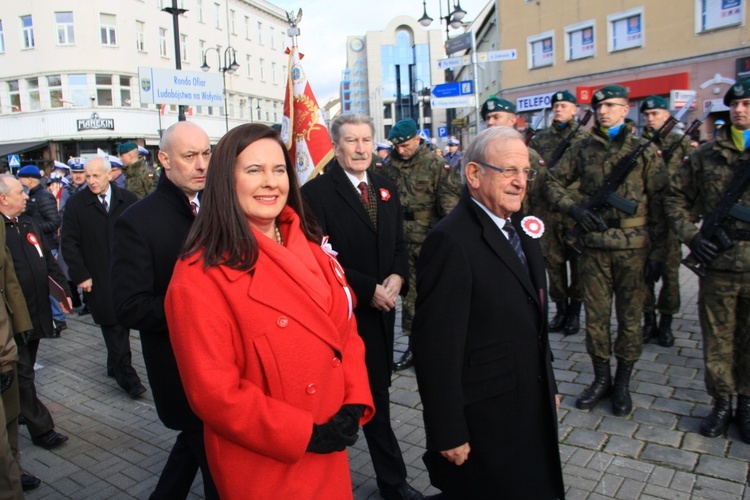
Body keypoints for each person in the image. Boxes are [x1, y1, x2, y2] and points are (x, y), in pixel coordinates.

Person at [164, 123, 374, 498]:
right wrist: (302, 433)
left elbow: (343, 327)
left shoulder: (311, 245)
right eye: (253, 170)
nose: (270, 182)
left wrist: (354, 399)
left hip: (329, 448)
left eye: (278, 170)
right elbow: (215, 394)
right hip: (267, 462)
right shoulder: (198, 275)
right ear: (225, 181)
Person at [412, 127, 564, 498]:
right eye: (509, 171)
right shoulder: (451, 240)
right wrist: (447, 431)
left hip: (528, 398)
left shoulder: (520, 229)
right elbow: (435, 346)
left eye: (526, 172)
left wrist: (550, 382)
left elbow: (534, 318)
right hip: (486, 416)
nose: (520, 182)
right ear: (474, 174)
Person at [301, 114, 420, 500]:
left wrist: (398, 279)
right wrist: (367, 288)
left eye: (366, 139)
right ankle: (388, 482)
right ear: (336, 146)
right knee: (354, 402)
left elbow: (399, 246)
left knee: (378, 396)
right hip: (342, 317)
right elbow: (316, 259)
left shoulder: (386, 187)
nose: (360, 148)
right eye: (351, 140)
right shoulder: (315, 194)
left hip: (383, 315)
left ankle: (391, 481)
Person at [546, 84, 668, 416]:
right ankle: (600, 379)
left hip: (634, 249)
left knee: (630, 319)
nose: (603, 111)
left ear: (625, 109)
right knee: (596, 318)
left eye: (611, 105)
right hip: (595, 248)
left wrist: (659, 253)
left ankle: (623, 383)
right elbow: (550, 182)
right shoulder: (583, 149)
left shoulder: (643, 149)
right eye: (599, 106)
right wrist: (575, 210)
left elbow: (661, 203)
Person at [111, 122, 218, 499]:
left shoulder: (221, 206)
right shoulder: (137, 222)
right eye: (190, 156)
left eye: (207, 153)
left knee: (196, 444)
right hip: (180, 367)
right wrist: (200, 311)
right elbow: (129, 307)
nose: (202, 164)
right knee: (219, 471)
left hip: (225, 362)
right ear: (164, 159)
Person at [665, 81, 750, 442]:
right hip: (718, 264)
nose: (740, 109)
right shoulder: (706, 155)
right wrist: (692, 236)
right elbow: (674, 198)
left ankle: (746, 405)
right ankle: (720, 403)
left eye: (747, 104)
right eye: (735, 104)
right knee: (717, 339)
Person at [61, 157, 146, 399]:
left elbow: (141, 234)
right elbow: (69, 243)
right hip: (98, 278)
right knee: (113, 326)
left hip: (127, 276)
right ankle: (129, 379)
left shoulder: (127, 200)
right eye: (87, 176)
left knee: (123, 325)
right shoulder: (77, 205)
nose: (91, 181)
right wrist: (81, 275)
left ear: (110, 175)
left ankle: (114, 364)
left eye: (96, 176)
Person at [0, 174, 71, 455]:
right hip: (13, 320)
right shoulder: (2, 230)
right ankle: (41, 428)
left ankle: (18, 412)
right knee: (23, 374)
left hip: (37, 314)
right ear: (3, 198)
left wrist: (63, 292)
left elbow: (49, 263)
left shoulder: (28, 223)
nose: (26, 196)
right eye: (20, 192)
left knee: (25, 371)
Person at [381, 118, 447, 371]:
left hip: (430, 239)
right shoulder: (389, 167)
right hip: (400, 239)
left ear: (418, 139)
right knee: (408, 297)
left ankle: (436, 344)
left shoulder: (435, 164)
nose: (401, 150)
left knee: (433, 294)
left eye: (406, 145)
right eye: (397, 146)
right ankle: (413, 346)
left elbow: (448, 204)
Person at [529, 90, 588, 336]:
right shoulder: (540, 140)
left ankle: (574, 313)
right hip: (548, 212)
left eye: (564, 105)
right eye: (556, 106)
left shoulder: (586, 139)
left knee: (579, 265)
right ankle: (560, 309)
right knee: (553, 265)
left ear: (575, 110)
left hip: (577, 212)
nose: (559, 109)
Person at [639, 95, 693, 347]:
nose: (651, 119)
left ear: (666, 115)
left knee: (670, 276)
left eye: (656, 114)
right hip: (645, 220)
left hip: (670, 223)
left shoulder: (681, 144)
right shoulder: (640, 144)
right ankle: (648, 321)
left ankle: (666, 323)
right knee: (644, 275)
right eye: (647, 115)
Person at [0, 213, 38, 496]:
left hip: (5, 346)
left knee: (11, 419)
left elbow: (8, 277)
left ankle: (14, 469)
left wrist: (22, 323)